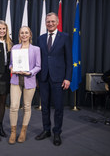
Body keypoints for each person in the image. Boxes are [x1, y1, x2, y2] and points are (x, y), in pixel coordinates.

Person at [35, 12, 72, 146]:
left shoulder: (65, 37)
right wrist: (37, 78)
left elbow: (69, 59)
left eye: (52, 21)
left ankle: (57, 132)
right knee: (44, 106)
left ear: (57, 23)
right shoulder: (40, 38)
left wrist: (68, 78)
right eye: (48, 21)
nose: (50, 24)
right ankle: (46, 130)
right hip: (43, 77)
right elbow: (38, 59)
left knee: (58, 107)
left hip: (58, 78)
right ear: (45, 23)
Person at [8, 26, 41, 144]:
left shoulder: (36, 49)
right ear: (19, 35)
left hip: (29, 80)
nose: (24, 35)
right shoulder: (14, 48)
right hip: (16, 80)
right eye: (22, 33)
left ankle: (23, 131)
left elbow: (38, 66)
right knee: (14, 106)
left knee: (27, 106)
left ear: (30, 35)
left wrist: (30, 72)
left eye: (26, 33)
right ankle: (13, 132)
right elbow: (11, 64)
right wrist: (12, 68)